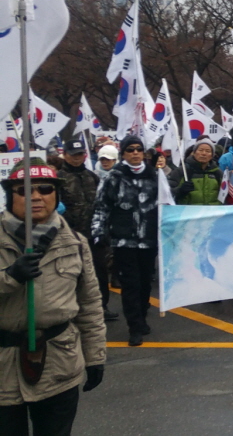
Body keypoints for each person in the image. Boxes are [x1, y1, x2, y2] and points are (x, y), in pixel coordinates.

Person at [0, 161, 106, 434]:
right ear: (10, 195)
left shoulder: (75, 242)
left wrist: (95, 356)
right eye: (25, 190)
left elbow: (89, 304)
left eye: (45, 189)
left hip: (58, 365)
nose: (36, 196)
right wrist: (10, 276)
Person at [90, 135, 159, 347]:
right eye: (130, 149)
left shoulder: (155, 176)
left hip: (149, 240)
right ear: (123, 154)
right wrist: (98, 232)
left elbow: (166, 204)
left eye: (139, 149)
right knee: (130, 284)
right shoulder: (113, 177)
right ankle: (134, 327)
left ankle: (142, 316)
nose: (135, 153)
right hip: (123, 241)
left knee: (145, 283)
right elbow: (101, 206)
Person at [57, 138, 115, 324]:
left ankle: (101, 307)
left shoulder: (92, 176)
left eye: (80, 154)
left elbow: (103, 202)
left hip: (94, 234)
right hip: (70, 235)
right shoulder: (58, 178)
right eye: (73, 155)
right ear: (65, 155)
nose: (77, 158)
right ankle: (73, 309)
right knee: (71, 273)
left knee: (99, 271)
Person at [169, 138, 223, 206]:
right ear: (194, 153)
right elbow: (168, 194)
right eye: (200, 150)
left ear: (212, 155)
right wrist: (180, 191)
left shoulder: (217, 172)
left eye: (208, 151)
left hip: (213, 211)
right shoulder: (181, 171)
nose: (204, 153)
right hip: (188, 211)